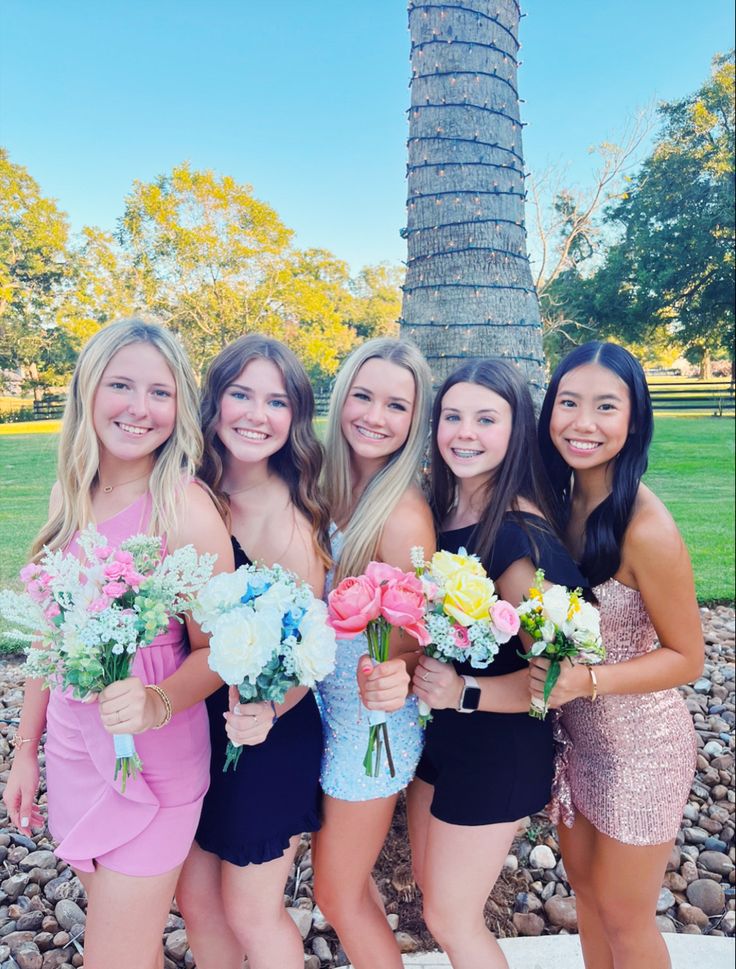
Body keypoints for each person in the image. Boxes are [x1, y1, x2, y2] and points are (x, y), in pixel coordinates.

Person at [2, 320, 233, 969]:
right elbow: (53, 635)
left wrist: (158, 700)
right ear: (87, 391)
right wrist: (24, 751)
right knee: (128, 947)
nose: (139, 406)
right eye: (121, 384)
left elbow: (216, 649)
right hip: (73, 750)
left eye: (159, 392)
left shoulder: (183, 508)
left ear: (178, 407)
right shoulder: (67, 495)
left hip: (155, 762)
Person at [409, 359, 586, 969]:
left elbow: (560, 682)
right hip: (446, 742)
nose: (465, 432)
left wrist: (464, 691)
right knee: (433, 897)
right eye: (452, 416)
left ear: (516, 431)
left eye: (486, 419)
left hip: (499, 749)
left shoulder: (518, 539)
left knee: (451, 918)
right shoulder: (447, 512)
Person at [533, 341, 703, 969]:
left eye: (606, 406)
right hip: (577, 741)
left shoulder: (645, 527)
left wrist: (587, 681)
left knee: (627, 922)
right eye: (568, 402)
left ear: (634, 420)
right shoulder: (558, 502)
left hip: (642, 751)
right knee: (587, 899)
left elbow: (688, 658)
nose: (583, 422)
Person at [175, 334, 331, 969]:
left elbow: (307, 649)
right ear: (215, 403)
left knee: (250, 913)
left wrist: (267, 712)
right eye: (241, 394)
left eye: (276, 401)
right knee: (199, 906)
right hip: (190, 727)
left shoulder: (292, 519)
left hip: (264, 735)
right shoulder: (186, 489)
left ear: (294, 417)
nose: (255, 415)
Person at [311, 337, 435, 969]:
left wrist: (399, 671)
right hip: (316, 709)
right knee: (344, 884)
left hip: (370, 723)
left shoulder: (404, 514)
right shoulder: (317, 484)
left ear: (415, 422)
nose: (374, 416)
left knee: (335, 892)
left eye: (396, 405)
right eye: (363, 396)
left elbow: (416, 633)